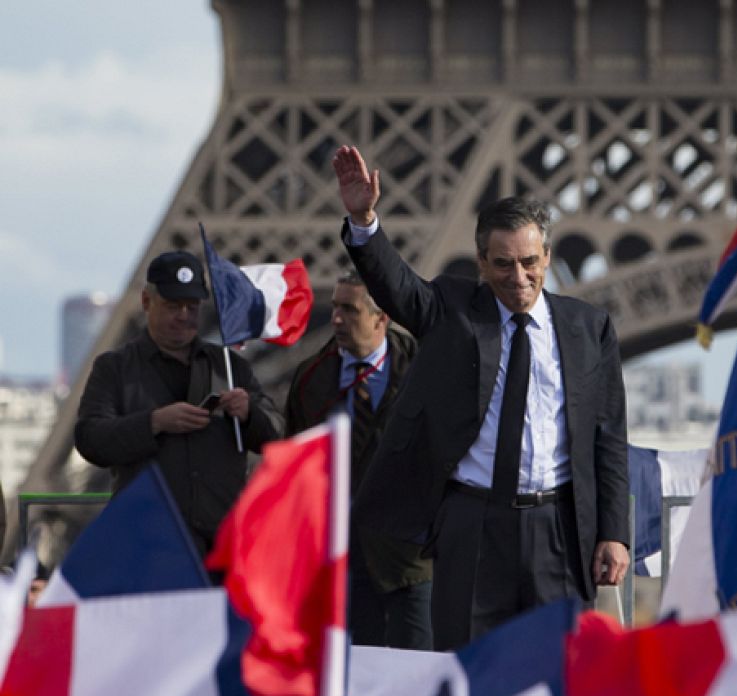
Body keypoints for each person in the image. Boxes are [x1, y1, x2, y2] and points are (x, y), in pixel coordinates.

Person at [333, 145, 630, 651]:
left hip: (558, 528)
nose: (519, 277)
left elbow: (609, 437)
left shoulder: (589, 327)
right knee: (466, 668)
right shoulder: (454, 310)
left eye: (530, 262)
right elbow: (399, 288)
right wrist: (364, 222)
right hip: (471, 524)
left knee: (556, 670)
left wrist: (615, 532)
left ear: (548, 256)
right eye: (503, 264)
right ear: (481, 263)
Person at [74, 251, 282, 553]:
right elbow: (90, 439)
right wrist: (154, 423)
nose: (184, 315)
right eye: (173, 306)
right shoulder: (114, 368)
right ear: (147, 301)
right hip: (148, 546)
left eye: (192, 306)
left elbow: (278, 435)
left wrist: (250, 413)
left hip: (220, 545)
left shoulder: (230, 368)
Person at [286, 273, 432, 650]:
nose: (336, 318)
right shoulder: (311, 379)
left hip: (408, 558)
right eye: (335, 307)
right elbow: (295, 460)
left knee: (414, 666)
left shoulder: (425, 371)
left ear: (382, 317)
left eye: (349, 310)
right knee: (357, 668)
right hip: (341, 558)